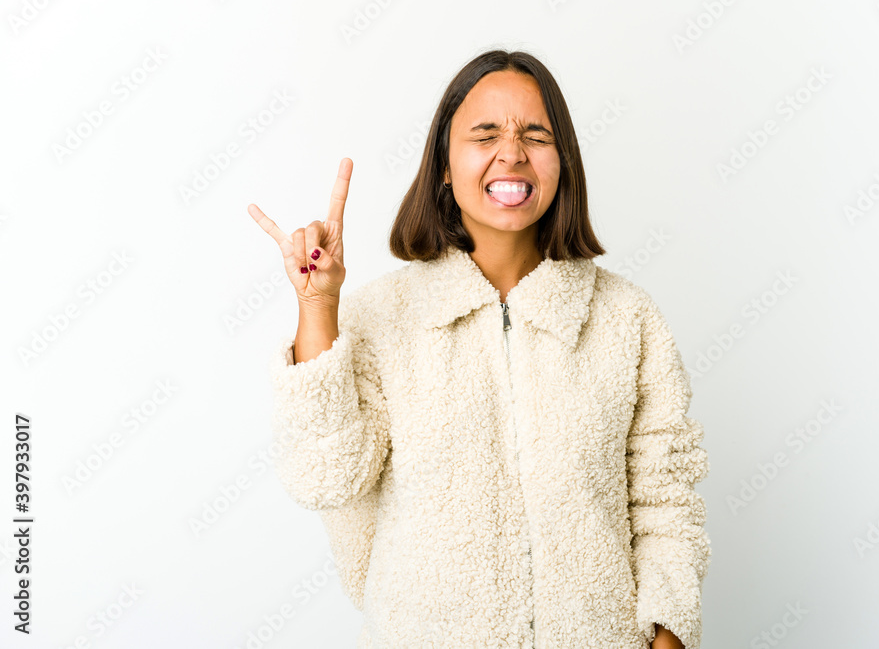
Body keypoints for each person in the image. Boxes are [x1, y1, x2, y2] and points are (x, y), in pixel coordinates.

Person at [248, 49, 710, 649]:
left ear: (563, 162)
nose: (511, 153)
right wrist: (318, 306)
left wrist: (669, 639)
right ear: (444, 165)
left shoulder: (627, 319)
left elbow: (666, 502)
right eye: (485, 135)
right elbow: (326, 478)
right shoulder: (379, 318)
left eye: (535, 135)